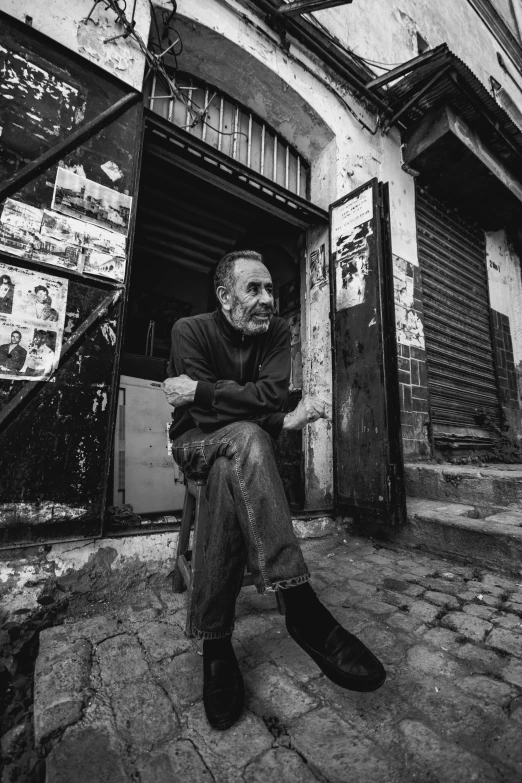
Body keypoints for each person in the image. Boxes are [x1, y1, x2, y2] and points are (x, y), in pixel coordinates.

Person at [164, 250, 385, 731]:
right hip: (193, 443)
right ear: (225, 297)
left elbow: (271, 396)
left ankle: (216, 644)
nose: (268, 300)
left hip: (236, 450)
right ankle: (301, 606)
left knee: (233, 465)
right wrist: (262, 413)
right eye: (254, 290)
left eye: (270, 290)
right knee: (248, 436)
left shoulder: (278, 331)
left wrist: (203, 391)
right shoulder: (190, 331)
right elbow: (212, 420)